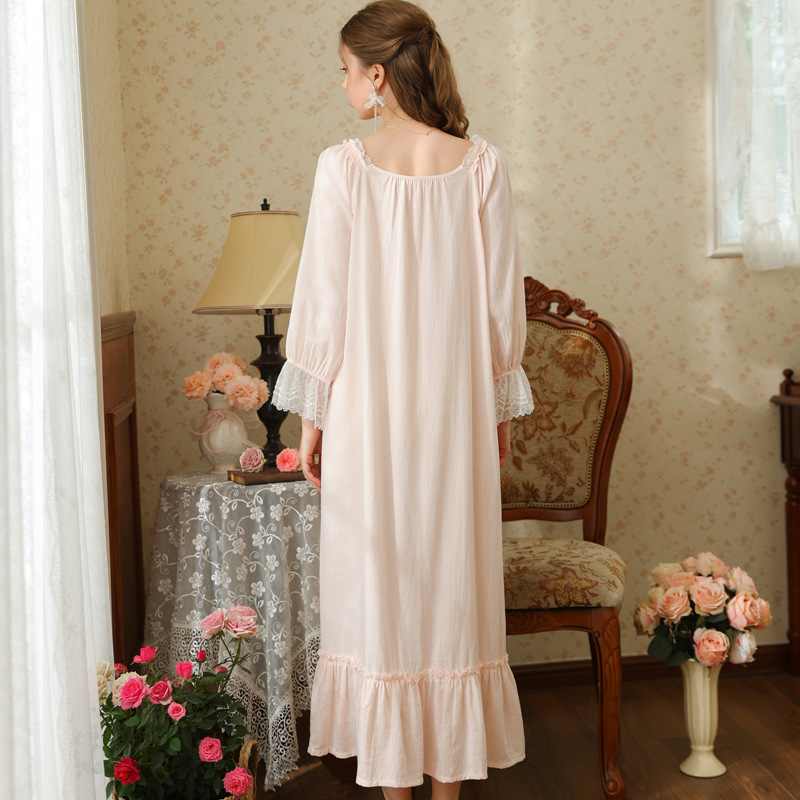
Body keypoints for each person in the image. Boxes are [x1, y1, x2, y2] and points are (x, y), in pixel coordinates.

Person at [271, 2, 534, 798]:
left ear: (377, 74)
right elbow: (501, 311)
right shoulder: (482, 165)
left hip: (366, 417)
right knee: (452, 591)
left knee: (379, 593)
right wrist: (496, 408)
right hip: (456, 417)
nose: (343, 83)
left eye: (345, 69)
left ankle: (394, 789)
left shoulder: (343, 167)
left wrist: (311, 420)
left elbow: (324, 308)